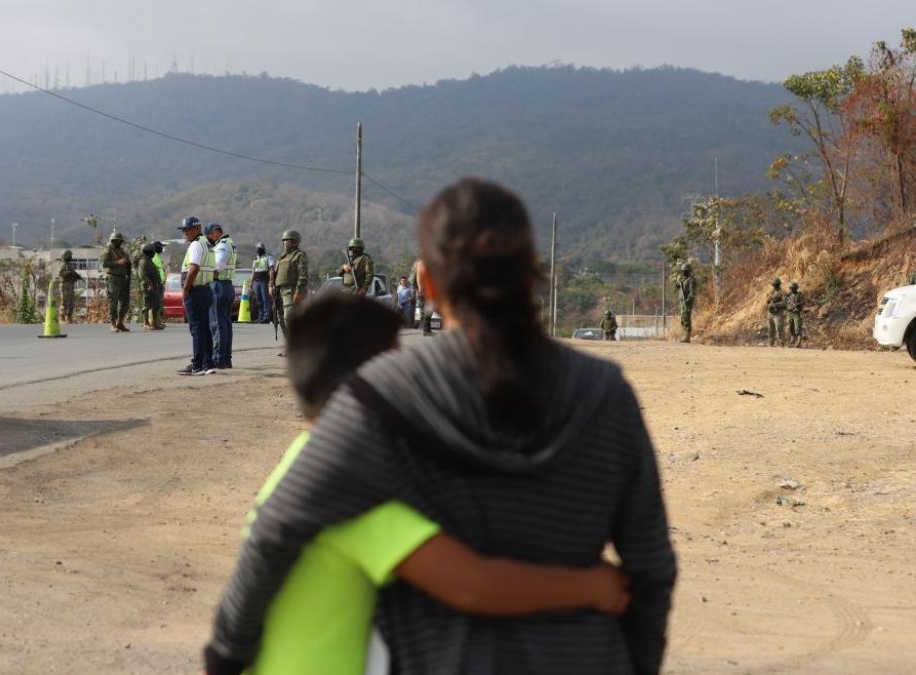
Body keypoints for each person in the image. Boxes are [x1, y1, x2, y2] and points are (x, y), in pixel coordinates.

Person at [205, 178, 676, 675]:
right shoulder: (607, 394)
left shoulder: (382, 395)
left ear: (427, 285)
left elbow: (277, 528)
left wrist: (226, 654)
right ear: (532, 273)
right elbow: (651, 569)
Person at [236, 292, 632, 675]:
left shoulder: (309, 457)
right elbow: (474, 585)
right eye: (402, 372)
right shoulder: (348, 489)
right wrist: (591, 587)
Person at [178, 216, 216, 375]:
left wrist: (186, 288)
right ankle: (208, 363)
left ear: (198, 228)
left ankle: (197, 365)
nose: (185, 233)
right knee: (205, 328)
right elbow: (214, 269)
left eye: (188, 229)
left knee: (197, 329)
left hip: (195, 291)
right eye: (184, 230)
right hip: (206, 289)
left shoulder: (196, 245)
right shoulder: (208, 244)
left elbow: (194, 268)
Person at [270, 229, 309, 348]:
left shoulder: (299, 255)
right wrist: (271, 285)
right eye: (285, 241)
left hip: (291, 291)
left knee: (290, 318)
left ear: (296, 242)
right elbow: (275, 274)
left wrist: (299, 291)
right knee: (281, 319)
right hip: (279, 292)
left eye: (289, 241)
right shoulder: (281, 257)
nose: (286, 243)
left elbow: (303, 275)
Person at [207, 223, 237, 369]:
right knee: (225, 324)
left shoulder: (222, 245)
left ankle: (219, 358)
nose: (209, 238)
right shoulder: (230, 243)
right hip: (227, 285)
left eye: (209, 235)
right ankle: (226, 358)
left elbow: (217, 266)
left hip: (219, 285)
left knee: (217, 324)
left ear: (215, 232)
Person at [101, 231, 132, 332]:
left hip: (123, 278)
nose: (120, 242)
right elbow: (104, 263)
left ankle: (120, 322)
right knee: (113, 301)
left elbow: (127, 261)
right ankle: (112, 323)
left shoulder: (122, 251)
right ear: (114, 241)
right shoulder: (108, 250)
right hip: (113, 278)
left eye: (121, 241)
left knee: (125, 302)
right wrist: (117, 262)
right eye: (118, 241)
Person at [138, 243, 163, 331]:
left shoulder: (149, 261)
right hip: (147, 286)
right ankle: (146, 323)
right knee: (147, 304)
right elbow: (142, 275)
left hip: (154, 285)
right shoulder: (143, 261)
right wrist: (149, 284)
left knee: (155, 304)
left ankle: (154, 323)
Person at [57, 250, 82, 323]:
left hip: (71, 285)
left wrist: (76, 276)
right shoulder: (62, 264)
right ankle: (62, 317)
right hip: (64, 285)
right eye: (70, 256)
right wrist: (69, 273)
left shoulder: (70, 265)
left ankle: (69, 316)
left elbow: (73, 274)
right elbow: (60, 273)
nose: (71, 257)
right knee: (64, 301)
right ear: (66, 256)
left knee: (71, 301)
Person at [251, 242, 274, 324]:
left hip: (264, 281)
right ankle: (260, 317)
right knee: (258, 300)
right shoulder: (256, 258)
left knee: (265, 299)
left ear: (263, 249)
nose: (258, 250)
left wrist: (271, 280)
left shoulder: (268, 257)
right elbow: (253, 271)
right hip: (256, 281)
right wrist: (251, 282)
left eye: (259, 248)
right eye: (257, 248)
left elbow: (271, 269)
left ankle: (266, 317)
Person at [677, 261, 696, 343]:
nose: (683, 272)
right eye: (682, 271)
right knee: (683, 319)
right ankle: (684, 335)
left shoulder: (691, 280)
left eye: (684, 271)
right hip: (682, 302)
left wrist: (688, 300)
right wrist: (678, 284)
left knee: (686, 318)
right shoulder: (683, 279)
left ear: (688, 271)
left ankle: (687, 337)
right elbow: (679, 287)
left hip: (687, 302)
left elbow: (692, 292)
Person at [765, 277, 785, 347]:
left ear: (779, 284)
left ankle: (781, 343)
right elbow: (767, 302)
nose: (774, 285)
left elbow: (784, 303)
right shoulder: (771, 292)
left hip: (778, 313)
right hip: (771, 313)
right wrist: (769, 300)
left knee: (779, 328)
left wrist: (775, 304)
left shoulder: (782, 293)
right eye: (773, 284)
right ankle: (771, 343)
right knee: (770, 329)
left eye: (776, 284)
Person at [151, 241, 166, 329]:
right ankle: (154, 322)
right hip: (156, 282)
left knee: (159, 303)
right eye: (161, 247)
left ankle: (158, 321)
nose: (162, 249)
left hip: (160, 282)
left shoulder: (157, 256)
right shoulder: (153, 256)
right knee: (156, 303)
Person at [785, 281, 805, 348]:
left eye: (793, 288)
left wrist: (797, 304)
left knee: (797, 327)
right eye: (791, 288)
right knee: (790, 326)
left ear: (796, 288)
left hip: (796, 312)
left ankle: (799, 342)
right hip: (789, 313)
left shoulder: (799, 294)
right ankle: (792, 341)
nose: (792, 289)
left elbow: (803, 302)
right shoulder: (788, 296)